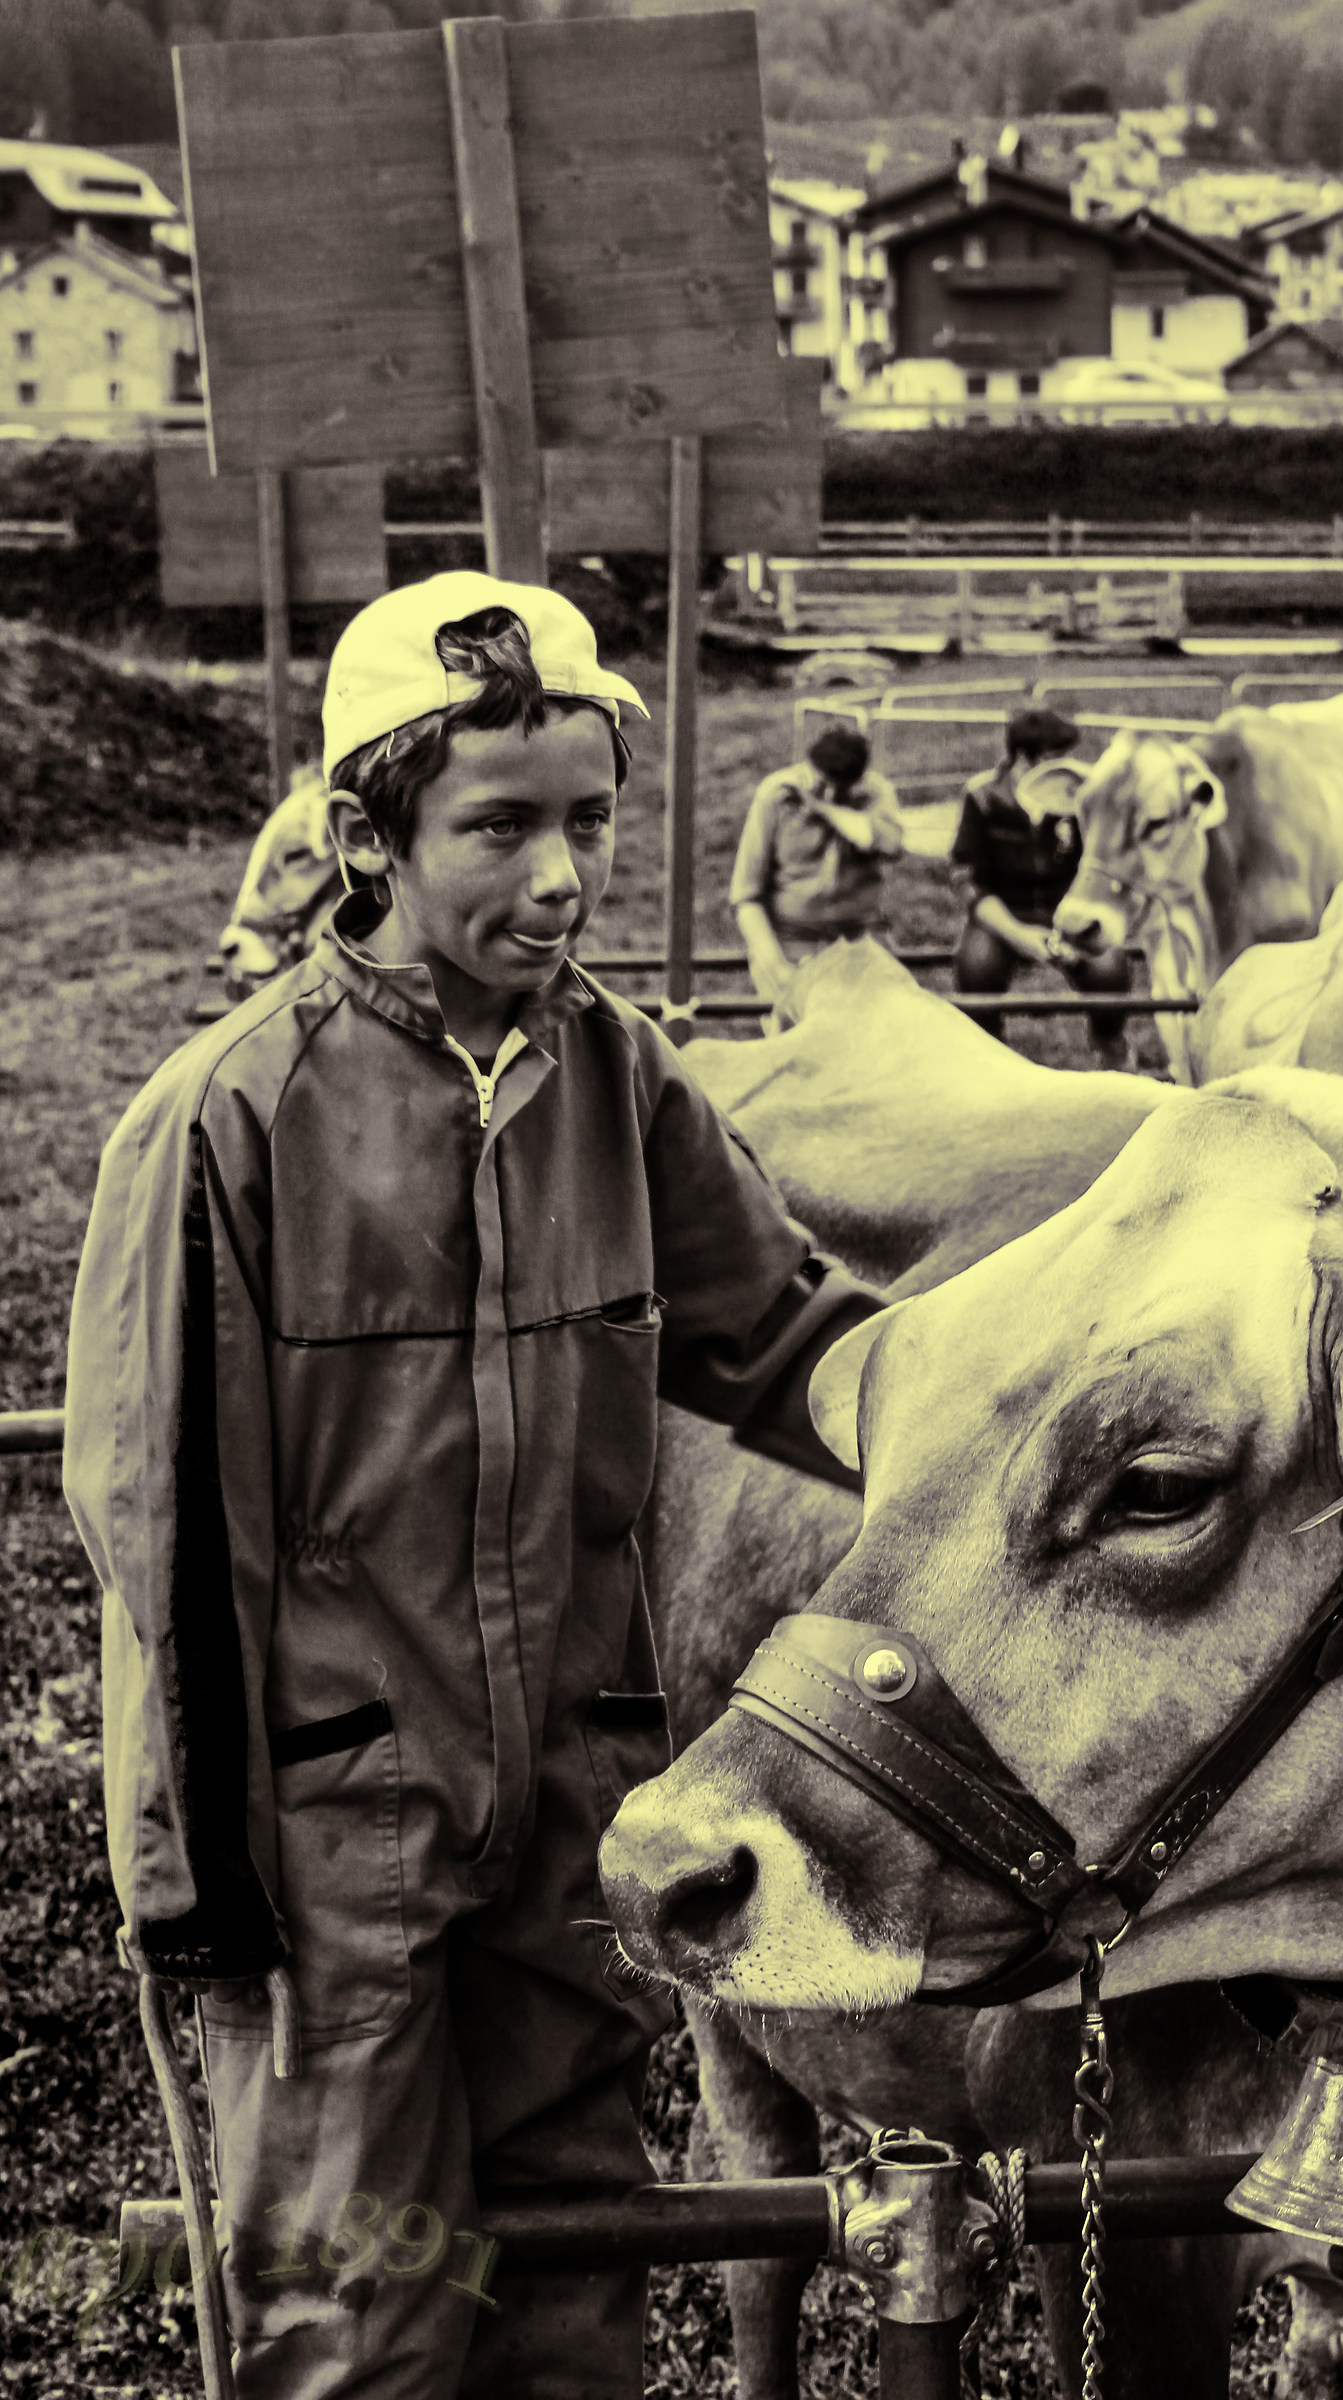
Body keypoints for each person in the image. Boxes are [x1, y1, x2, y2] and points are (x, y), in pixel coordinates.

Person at [63, 570, 885, 2400]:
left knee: (568, 2284)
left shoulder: (619, 1080)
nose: (563, 877)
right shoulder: (230, 1121)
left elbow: (791, 1340)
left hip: (571, 1809)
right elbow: (161, 1539)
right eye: (498, 828)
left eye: (587, 820)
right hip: (331, 1845)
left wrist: (1007, 1404)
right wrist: (202, 1885)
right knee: (362, 2312)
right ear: (365, 834)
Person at [950, 704, 1131, 1053]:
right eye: (1055, 758)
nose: (1065, 766)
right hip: (1003, 911)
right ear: (1023, 758)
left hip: (1067, 907)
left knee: (1110, 968)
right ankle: (987, 1051)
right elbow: (967, 878)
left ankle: (1110, 1045)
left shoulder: (1079, 797)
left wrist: (1075, 927)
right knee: (975, 966)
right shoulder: (983, 797)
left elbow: (1098, 866)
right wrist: (1019, 936)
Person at [729, 722, 903, 1006]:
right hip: (792, 939)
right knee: (800, 1030)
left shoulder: (876, 792)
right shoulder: (776, 794)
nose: (833, 794)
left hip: (860, 940)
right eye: (824, 784)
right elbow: (745, 898)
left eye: (843, 789)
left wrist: (823, 807)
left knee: (880, 1030)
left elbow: (888, 844)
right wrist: (779, 969)